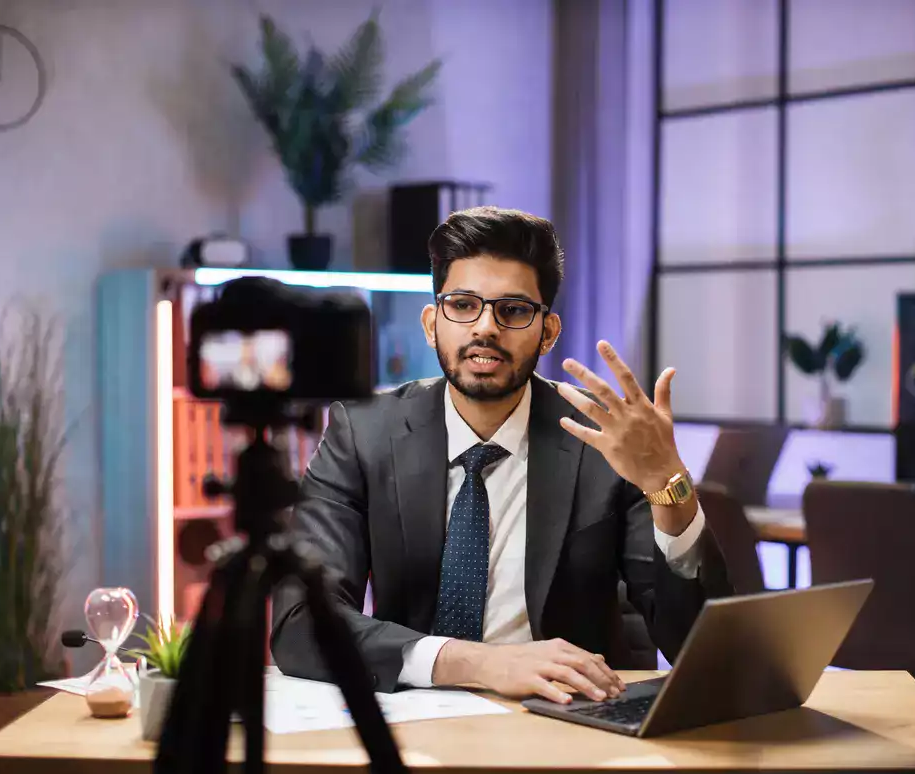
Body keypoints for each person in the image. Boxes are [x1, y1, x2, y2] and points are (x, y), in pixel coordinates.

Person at [272, 205, 730, 713]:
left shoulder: (605, 442)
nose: (486, 327)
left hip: (571, 725)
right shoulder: (362, 433)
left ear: (548, 332)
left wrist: (669, 487)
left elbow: (697, 644)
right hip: (413, 722)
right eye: (463, 305)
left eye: (513, 310)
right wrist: (479, 663)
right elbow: (300, 623)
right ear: (432, 323)